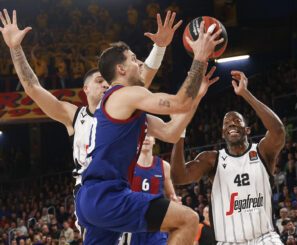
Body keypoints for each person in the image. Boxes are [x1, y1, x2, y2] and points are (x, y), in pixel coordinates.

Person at [0, 7, 181, 235]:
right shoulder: (73, 116)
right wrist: (15, 48)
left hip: (124, 188)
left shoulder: (124, 106)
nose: (106, 84)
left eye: (107, 80)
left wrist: (160, 46)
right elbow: (33, 88)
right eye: (99, 80)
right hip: (93, 196)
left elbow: (143, 79)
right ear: (85, 89)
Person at [76, 21, 223, 244]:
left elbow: (172, 132)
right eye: (134, 59)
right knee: (188, 220)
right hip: (107, 195)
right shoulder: (124, 94)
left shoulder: (128, 108)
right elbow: (180, 102)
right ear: (121, 69)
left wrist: (198, 97)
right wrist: (200, 57)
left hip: (93, 198)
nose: (140, 63)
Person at [170, 71, 286, 244]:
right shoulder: (212, 160)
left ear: (247, 130)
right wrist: (180, 131)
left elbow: (278, 131)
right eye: (226, 123)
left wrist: (246, 94)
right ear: (223, 134)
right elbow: (179, 177)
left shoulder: (262, 152)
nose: (231, 123)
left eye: (237, 121)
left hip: (264, 238)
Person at [119, 135, 180, 245]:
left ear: (154, 140)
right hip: (133, 224)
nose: (146, 138)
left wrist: (175, 201)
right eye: (142, 135)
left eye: (149, 135)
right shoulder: (127, 165)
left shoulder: (164, 166)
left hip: (156, 224)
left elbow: (171, 195)